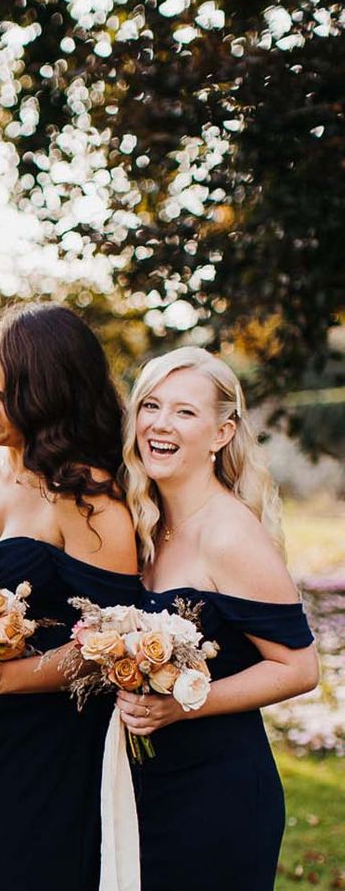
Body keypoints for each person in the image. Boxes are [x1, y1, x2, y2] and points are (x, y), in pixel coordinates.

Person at [0, 303, 141, 891]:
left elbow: (108, 648)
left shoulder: (88, 499)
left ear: (50, 395)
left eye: (8, 394)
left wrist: (5, 678)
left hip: (52, 740)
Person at [115, 346, 318, 890]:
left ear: (222, 433)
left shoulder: (229, 534)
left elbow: (299, 668)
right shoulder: (142, 525)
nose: (160, 423)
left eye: (185, 412)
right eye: (151, 405)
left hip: (215, 797)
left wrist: (182, 706)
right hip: (143, 788)